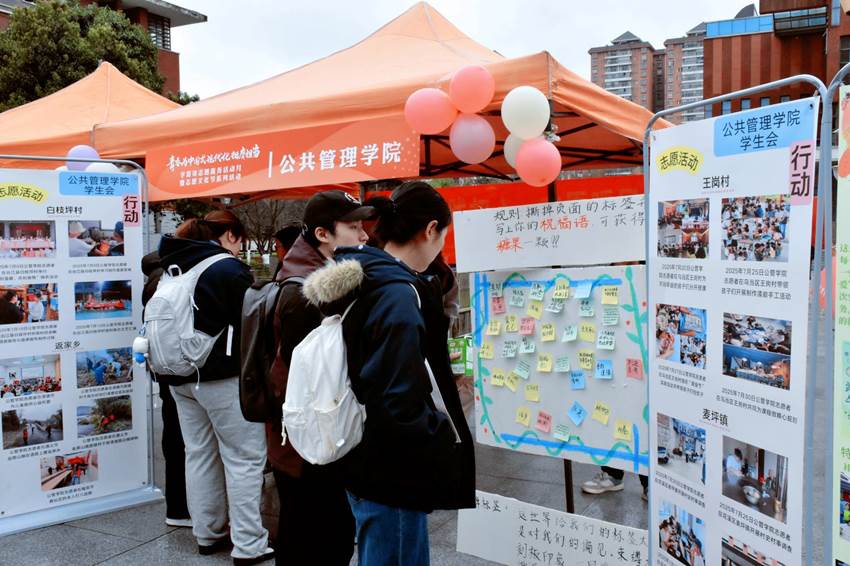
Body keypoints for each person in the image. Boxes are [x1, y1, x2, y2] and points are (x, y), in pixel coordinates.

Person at [302, 182, 475, 566]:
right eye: (443, 236)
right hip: (392, 469)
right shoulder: (397, 292)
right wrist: (439, 433)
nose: (441, 247)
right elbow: (397, 399)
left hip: (363, 453)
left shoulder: (368, 278)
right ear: (430, 229)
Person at [158, 210, 273, 565]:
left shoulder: (173, 268)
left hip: (179, 377)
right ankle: (249, 544)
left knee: (199, 453)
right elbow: (255, 321)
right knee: (244, 459)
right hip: (223, 378)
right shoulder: (226, 269)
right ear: (232, 236)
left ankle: (207, 533)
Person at [268, 190, 372, 565]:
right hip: (308, 442)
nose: (364, 235)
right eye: (353, 227)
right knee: (317, 538)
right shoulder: (308, 292)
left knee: (313, 533)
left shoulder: (314, 277)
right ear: (323, 234)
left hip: (305, 439)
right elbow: (302, 380)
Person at [142, 249, 192, 530]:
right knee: (182, 441)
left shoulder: (151, 288)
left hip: (162, 373)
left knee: (172, 438)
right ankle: (182, 507)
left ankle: (176, 506)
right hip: (177, 373)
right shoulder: (166, 286)